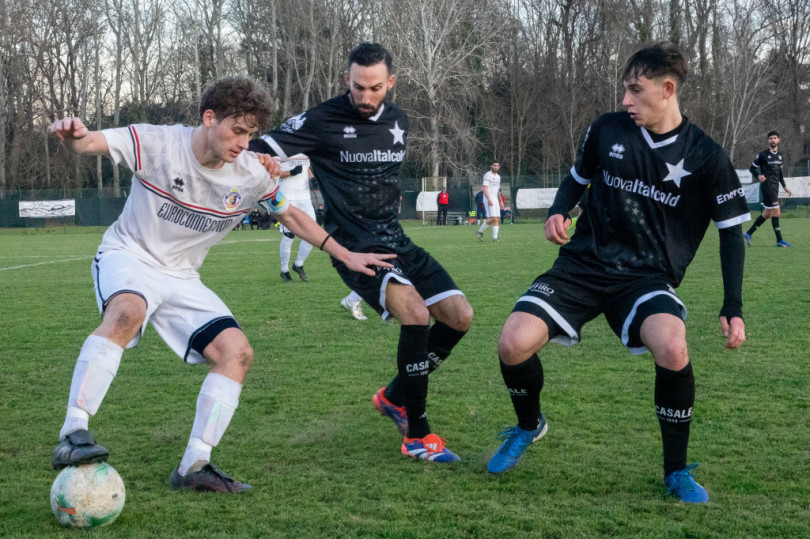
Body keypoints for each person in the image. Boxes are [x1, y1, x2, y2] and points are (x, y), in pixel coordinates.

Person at [48, 76, 393, 494]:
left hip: (182, 276)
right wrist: (72, 137)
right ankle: (73, 432)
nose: (244, 144)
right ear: (209, 118)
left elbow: (290, 216)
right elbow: (88, 144)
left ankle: (195, 464)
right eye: (238, 131)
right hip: (130, 255)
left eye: (251, 135)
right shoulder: (156, 143)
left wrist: (344, 253)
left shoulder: (251, 173)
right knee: (127, 311)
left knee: (237, 352)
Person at [486, 43, 749, 504]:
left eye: (635, 89)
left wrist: (733, 306)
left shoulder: (706, 157)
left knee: (672, 344)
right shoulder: (606, 130)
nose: (625, 100)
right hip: (582, 265)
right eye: (625, 89)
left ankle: (675, 471)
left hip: (645, 279)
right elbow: (576, 179)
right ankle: (530, 425)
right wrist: (557, 210)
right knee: (512, 342)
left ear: (667, 90)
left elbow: (731, 234)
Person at [251, 43, 473, 463]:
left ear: (390, 83)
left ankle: (392, 396)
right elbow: (259, 147)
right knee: (415, 313)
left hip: (397, 240)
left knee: (459, 317)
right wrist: (262, 162)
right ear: (346, 81)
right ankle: (417, 436)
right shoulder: (320, 119)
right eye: (358, 87)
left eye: (375, 88)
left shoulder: (399, 120)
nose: (366, 97)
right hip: (353, 245)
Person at [743, 131, 793, 247]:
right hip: (767, 186)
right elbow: (752, 168)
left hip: (775, 186)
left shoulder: (780, 156)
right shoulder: (763, 155)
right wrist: (758, 176)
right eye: (770, 138)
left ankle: (748, 233)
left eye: (775, 138)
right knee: (776, 211)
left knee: (767, 213)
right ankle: (779, 240)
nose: (773, 140)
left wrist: (784, 186)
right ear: (768, 141)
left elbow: (779, 173)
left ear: (779, 140)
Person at [278, 155, 316, 282]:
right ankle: (284, 271)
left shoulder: (304, 150)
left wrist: (312, 178)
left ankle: (298, 264)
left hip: (305, 199)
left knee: (313, 234)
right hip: (288, 198)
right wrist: (290, 172)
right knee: (289, 236)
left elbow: (307, 167)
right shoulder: (279, 150)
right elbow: (272, 173)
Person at [477, 162, 501, 241]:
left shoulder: (498, 177)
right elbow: (485, 188)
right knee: (494, 218)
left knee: (497, 218)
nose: (495, 167)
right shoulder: (488, 175)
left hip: (495, 199)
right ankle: (480, 231)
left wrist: (500, 201)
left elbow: (498, 190)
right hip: (488, 199)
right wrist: (488, 199)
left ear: (499, 167)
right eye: (494, 165)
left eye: (497, 166)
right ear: (491, 166)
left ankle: (494, 238)